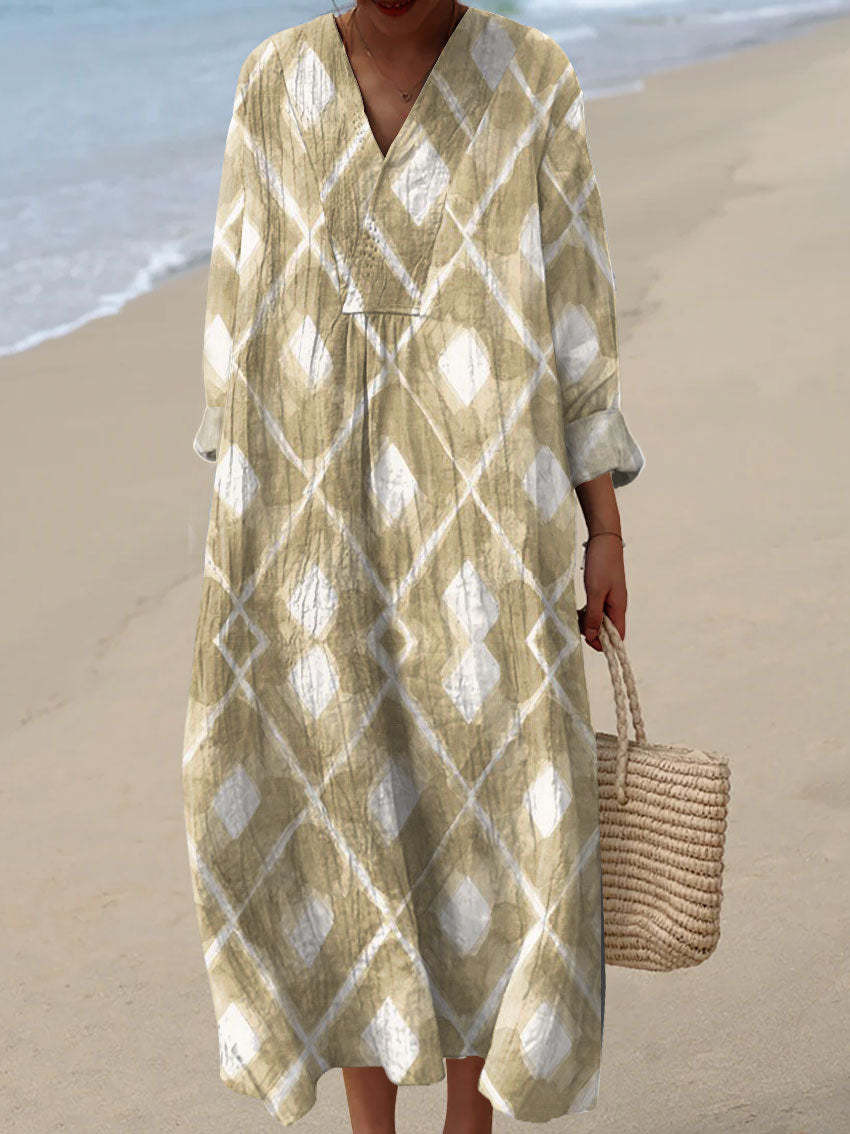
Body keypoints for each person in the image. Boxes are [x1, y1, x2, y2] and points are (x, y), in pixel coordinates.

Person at [182, 1, 645, 1131]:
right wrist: (243, 540)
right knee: (340, 803)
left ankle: (469, 1125)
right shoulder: (274, 83)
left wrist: (605, 529)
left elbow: (575, 315)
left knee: (489, 805)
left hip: (488, 522)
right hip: (310, 522)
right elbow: (236, 319)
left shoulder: (531, 77)